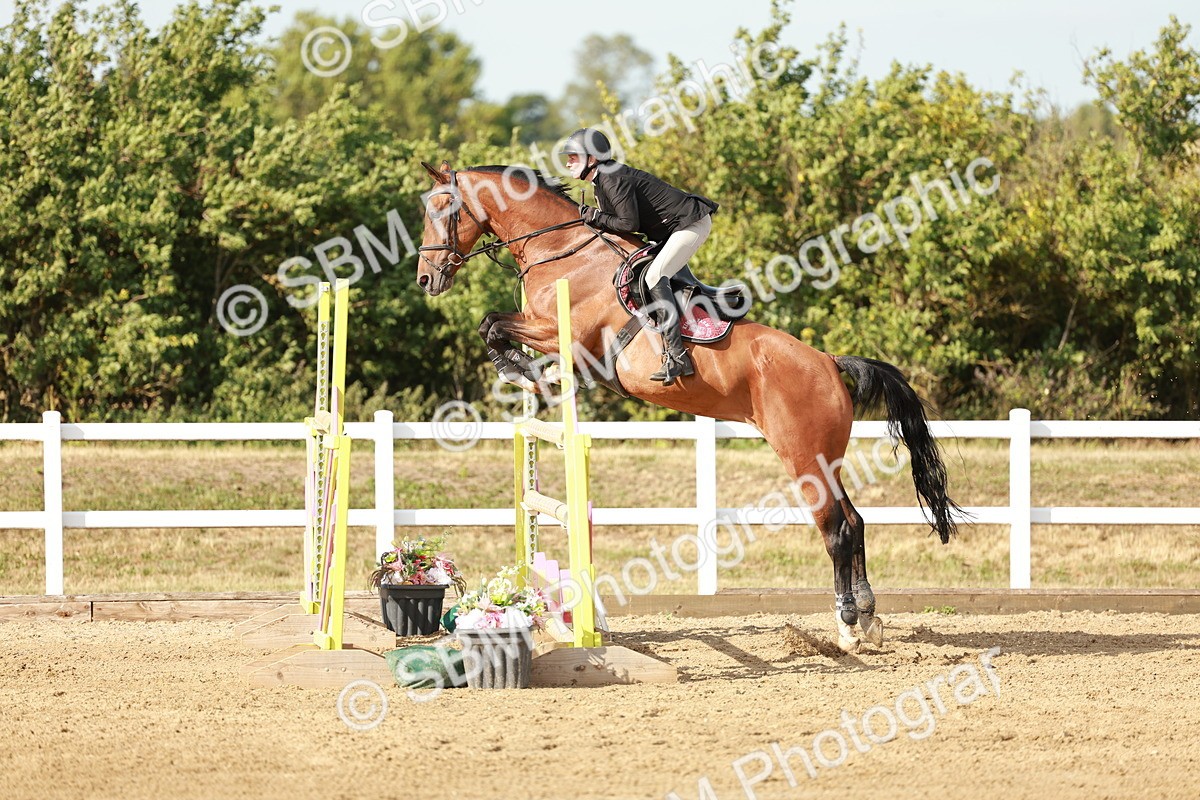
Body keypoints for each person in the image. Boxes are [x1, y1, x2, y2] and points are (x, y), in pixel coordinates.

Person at [560, 128, 719, 386]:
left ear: (592, 158)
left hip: (690, 225)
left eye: (573, 157)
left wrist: (595, 216)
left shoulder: (611, 179)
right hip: (671, 230)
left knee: (655, 276)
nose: (568, 162)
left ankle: (678, 356)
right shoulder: (602, 180)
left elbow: (628, 223)